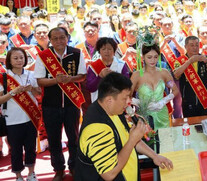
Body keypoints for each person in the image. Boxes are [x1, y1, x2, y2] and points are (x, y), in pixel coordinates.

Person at [76, 72, 173, 181]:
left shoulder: (115, 111)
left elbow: (131, 138)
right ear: (109, 100)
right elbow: (109, 173)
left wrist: (155, 156)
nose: (129, 101)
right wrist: (132, 140)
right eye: (125, 98)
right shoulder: (96, 128)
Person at [34, 27, 87, 181]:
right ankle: (58, 170)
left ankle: (74, 167)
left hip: (72, 104)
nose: (59, 41)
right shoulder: (44, 56)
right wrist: (55, 81)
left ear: (67, 37)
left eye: (62, 37)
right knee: (54, 139)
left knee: (74, 137)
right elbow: (39, 80)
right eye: (55, 38)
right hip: (51, 104)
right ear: (50, 40)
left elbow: (82, 76)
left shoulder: (76, 53)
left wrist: (70, 79)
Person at [0, 48, 41, 181]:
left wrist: (32, 89)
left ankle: (31, 173)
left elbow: (38, 94)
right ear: (9, 61)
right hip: (12, 120)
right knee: (16, 150)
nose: (19, 60)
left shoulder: (31, 74)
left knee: (31, 147)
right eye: (15, 58)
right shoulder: (4, 77)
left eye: (21, 58)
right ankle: (18, 175)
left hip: (30, 117)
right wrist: (13, 92)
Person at [131, 44, 178, 130]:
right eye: (149, 57)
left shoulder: (164, 72)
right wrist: (143, 104)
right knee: (149, 142)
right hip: (144, 117)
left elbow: (175, 90)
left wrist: (163, 102)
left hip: (162, 114)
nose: (153, 60)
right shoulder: (136, 75)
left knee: (165, 140)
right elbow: (127, 96)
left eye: (155, 57)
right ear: (143, 57)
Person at [172, 36, 207, 117]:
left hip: (203, 98)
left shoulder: (204, 59)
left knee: (203, 124)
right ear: (185, 46)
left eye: (197, 45)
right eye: (192, 45)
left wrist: (206, 61)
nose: (195, 48)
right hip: (187, 100)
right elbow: (176, 75)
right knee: (189, 124)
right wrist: (189, 62)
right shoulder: (180, 60)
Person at [86, 38, 130, 103]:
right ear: (99, 51)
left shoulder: (121, 64)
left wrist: (115, 77)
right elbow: (90, 88)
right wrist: (100, 77)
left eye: (109, 49)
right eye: (103, 49)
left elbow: (127, 85)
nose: (106, 51)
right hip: (100, 104)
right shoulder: (93, 66)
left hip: (118, 103)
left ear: (114, 51)